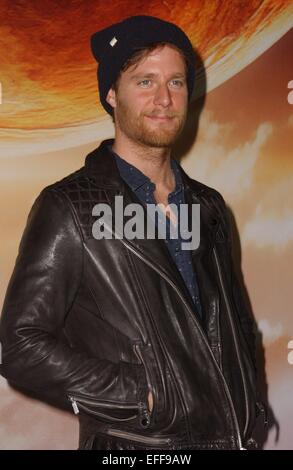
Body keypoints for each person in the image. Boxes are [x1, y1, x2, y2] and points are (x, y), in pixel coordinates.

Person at [0, 15, 259, 450]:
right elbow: (19, 347)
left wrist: (249, 407)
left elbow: (234, 327)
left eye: (176, 82)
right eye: (145, 82)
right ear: (111, 95)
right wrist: (143, 394)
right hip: (137, 449)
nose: (164, 98)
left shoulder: (208, 206)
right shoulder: (70, 206)